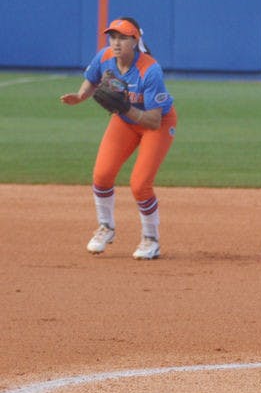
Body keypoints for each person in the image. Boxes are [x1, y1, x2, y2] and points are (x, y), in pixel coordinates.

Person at [60, 17, 177, 260]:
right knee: (102, 176)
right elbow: (92, 80)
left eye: (123, 37)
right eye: (113, 37)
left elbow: (154, 120)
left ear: (135, 41)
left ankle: (151, 239)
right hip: (125, 122)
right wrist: (80, 96)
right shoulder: (104, 57)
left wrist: (124, 108)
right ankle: (106, 227)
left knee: (139, 184)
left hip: (157, 125)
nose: (116, 42)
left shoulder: (150, 70)